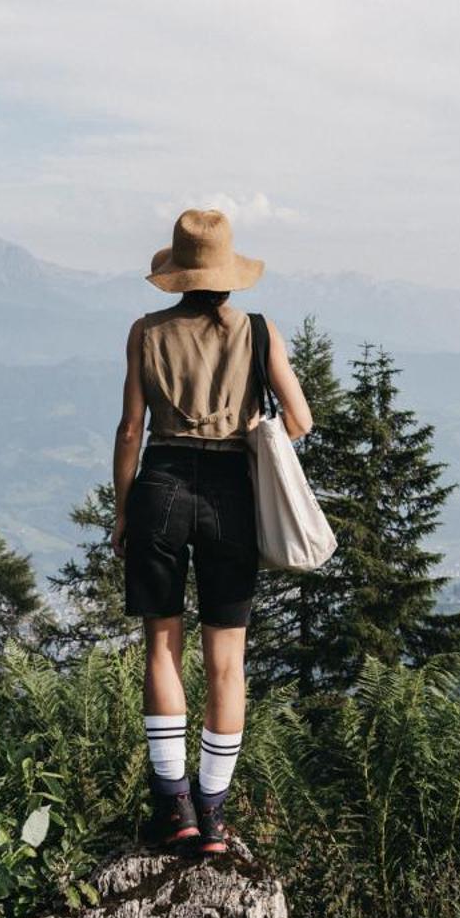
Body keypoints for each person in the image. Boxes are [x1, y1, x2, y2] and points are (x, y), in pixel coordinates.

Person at [112, 207, 312, 855]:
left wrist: (123, 509)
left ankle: (176, 811)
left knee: (161, 648)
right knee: (227, 664)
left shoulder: (146, 332)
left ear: (177, 272)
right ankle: (216, 816)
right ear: (228, 273)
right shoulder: (259, 331)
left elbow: (130, 431)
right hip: (231, 496)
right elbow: (301, 420)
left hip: (161, 486)